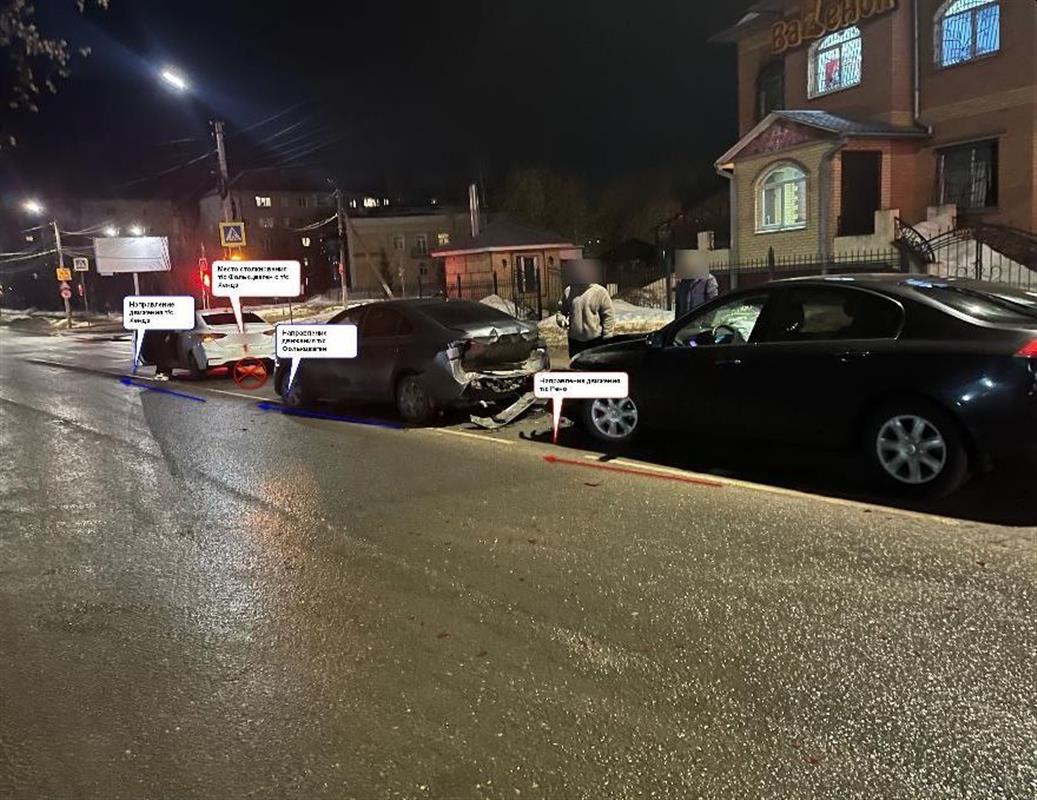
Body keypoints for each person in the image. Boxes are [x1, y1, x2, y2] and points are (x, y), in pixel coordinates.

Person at [556, 260, 615, 359]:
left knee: (594, 366)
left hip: (594, 341)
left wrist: (607, 337)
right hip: (574, 341)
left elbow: (608, 315)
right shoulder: (569, 291)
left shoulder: (600, 292)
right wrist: (561, 320)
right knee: (576, 366)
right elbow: (561, 311)